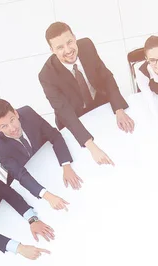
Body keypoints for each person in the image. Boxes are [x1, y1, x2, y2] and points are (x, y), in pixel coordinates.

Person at [39, 22, 134, 166]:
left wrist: (119, 109)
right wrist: (92, 147)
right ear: (52, 50)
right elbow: (65, 113)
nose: (68, 50)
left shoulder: (87, 46)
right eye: (60, 47)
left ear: (75, 38)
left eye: (69, 42)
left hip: (99, 102)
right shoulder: (47, 75)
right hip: (75, 115)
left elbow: (106, 77)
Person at [0, 99, 83, 211]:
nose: (12, 128)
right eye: (4, 126)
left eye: (12, 120)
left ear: (16, 113)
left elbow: (54, 136)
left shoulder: (28, 113)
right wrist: (48, 196)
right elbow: (20, 174)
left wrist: (66, 165)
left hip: (47, 156)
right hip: (27, 169)